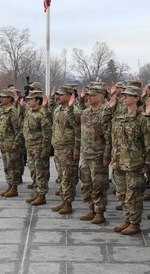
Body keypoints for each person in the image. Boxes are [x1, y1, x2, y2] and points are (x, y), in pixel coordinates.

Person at [108, 86, 150, 235]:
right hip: (119, 161)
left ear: (137, 98)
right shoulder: (120, 116)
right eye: (124, 95)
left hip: (134, 163)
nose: (125, 98)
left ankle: (135, 223)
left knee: (133, 195)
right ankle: (127, 220)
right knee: (121, 194)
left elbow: (149, 141)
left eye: (129, 96)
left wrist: (147, 163)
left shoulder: (142, 118)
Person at [78, 87, 112, 224]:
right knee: (86, 185)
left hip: (98, 156)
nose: (89, 98)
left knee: (99, 186)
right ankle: (91, 208)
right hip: (86, 156)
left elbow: (109, 138)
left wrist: (106, 156)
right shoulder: (85, 113)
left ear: (101, 97)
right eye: (88, 96)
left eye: (92, 96)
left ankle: (99, 212)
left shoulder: (105, 114)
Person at [49, 86, 81, 214]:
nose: (58, 97)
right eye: (58, 95)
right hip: (58, 148)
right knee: (62, 177)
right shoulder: (58, 109)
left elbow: (78, 131)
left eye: (61, 95)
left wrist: (76, 151)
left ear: (69, 97)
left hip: (68, 149)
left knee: (68, 177)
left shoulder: (74, 111)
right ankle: (63, 201)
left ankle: (68, 203)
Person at [22, 90, 52, 205]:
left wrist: (45, 150)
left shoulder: (42, 114)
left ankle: (42, 195)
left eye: (30, 100)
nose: (28, 101)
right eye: (27, 100)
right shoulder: (29, 112)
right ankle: (37, 193)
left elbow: (47, 134)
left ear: (37, 101)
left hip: (39, 148)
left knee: (41, 173)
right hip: (30, 148)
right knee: (33, 172)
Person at [0, 89, 23, 197]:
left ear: (9, 99)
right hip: (4, 144)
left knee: (13, 167)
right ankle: (9, 186)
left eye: (4, 97)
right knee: (7, 167)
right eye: (1, 97)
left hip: (11, 144)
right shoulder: (2, 110)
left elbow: (19, 130)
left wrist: (16, 143)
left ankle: (14, 188)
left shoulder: (12, 111)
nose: (1, 99)